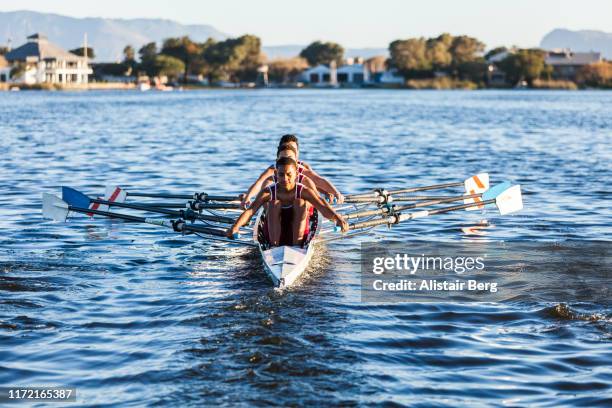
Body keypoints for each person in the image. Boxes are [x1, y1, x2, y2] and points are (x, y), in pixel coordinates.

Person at [228, 157, 348, 246]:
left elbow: (322, 206)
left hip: (298, 231)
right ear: (276, 174)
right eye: (281, 175)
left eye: (289, 174)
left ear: (296, 174)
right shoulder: (267, 192)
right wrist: (235, 227)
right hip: (274, 233)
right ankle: (273, 247)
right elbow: (250, 212)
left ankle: (298, 246)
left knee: (300, 203)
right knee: (274, 204)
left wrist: (337, 218)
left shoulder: (304, 191)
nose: (285, 178)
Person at [240, 134, 344, 208]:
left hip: (300, 202)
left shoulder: (303, 167)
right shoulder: (274, 169)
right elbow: (259, 183)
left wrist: (334, 193)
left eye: (292, 151)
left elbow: (317, 181)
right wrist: (248, 197)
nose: (287, 159)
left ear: (296, 154)